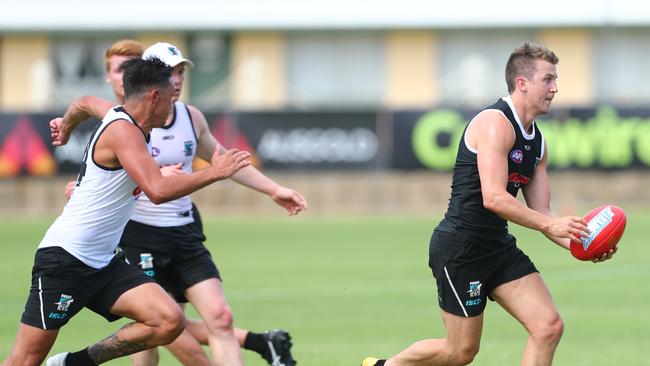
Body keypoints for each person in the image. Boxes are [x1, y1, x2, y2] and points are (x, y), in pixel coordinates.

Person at [362, 42, 617, 366]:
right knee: (460, 352)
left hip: (497, 246)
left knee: (548, 327)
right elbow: (494, 197)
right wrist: (551, 225)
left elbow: (544, 212)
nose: (556, 88)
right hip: (460, 247)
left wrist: (585, 243)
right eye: (548, 79)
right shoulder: (494, 123)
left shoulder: (538, 142)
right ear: (522, 83)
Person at [62, 41, 306, 366]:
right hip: (139, 234)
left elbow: (223, 161)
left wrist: (274, 190)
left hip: (184, 231)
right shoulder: (125, 123)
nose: (176, 80)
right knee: (152, 334)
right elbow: (100, 173)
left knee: (220, 317)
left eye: (180, 72)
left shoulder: (191, 117)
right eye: (169, 72)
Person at [2, 57, 252, 366]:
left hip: (104, 262)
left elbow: (84, 102)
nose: (173, 106)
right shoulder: (125, 132)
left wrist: (66, 125)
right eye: (170, 97)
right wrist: (216, 171)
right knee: (24, 361)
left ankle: (77, 362)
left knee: (167, 320)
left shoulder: (118, 115)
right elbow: (157, 191)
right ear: (154, 97)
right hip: (65, 259)